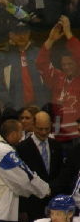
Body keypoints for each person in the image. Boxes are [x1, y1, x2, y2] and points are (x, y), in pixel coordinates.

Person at [17, 111, 67, 222]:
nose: (44, 132)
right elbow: (20, 180)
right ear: (33, 126)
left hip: (54, 204)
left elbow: (60, 173)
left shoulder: (56, 146)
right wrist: (22, 209)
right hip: (32, 205)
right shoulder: (22, 148)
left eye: (47, 128)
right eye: (40, 129)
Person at [36, 15, 80, 144]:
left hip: (77, 136)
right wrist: (50, 40)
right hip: (58, 135)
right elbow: (41, 64)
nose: (66, 67)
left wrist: (68, 33)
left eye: (70, 64)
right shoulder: (58, 77)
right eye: (64, 64)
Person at [0, 22, 48, 116]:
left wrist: (45, 102)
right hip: (13, 110)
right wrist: (9, 105)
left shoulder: (38, 53)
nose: (22, 36)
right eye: (17, 33)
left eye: (24, 33)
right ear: (10, 34)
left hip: (39, 108)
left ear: (29, 33)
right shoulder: (1, 57)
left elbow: (49, 78)